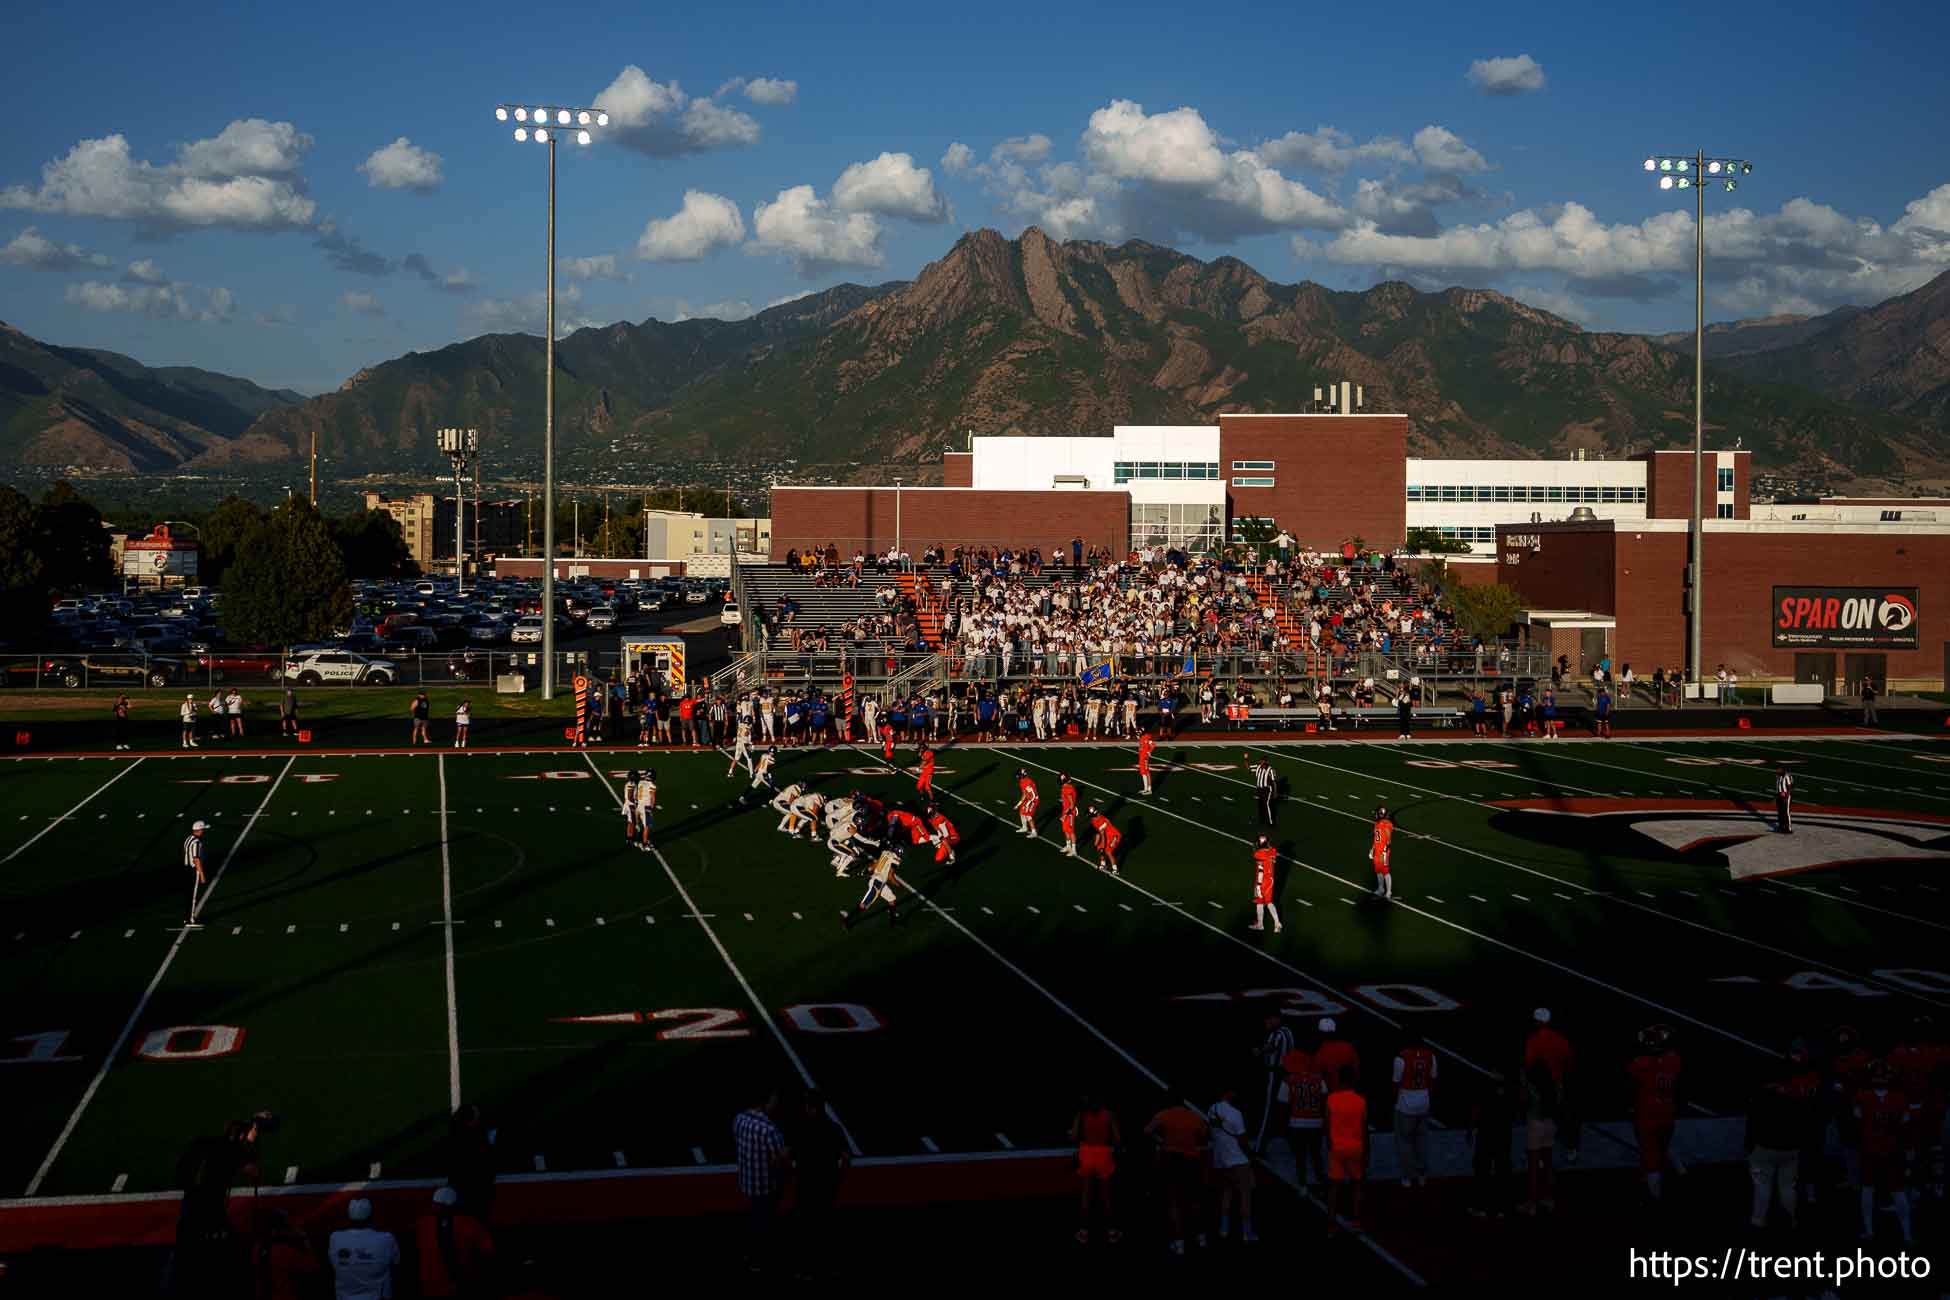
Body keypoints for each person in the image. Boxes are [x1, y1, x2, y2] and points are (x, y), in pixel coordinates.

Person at [1747, 1040, 1819, 1230]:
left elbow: (1754, 1119)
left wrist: (1750, 1142)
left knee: (1762, 1186)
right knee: (1788, 1187)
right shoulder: (1798, 1097)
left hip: (1765, 1145)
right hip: (1790, 1147)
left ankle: (1758, 1220)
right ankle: (1790, 1219)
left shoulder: (1764, 1093)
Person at [1854, 1061, 1913, 1243]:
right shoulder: (1900, 1098)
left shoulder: (1862, 1096)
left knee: (1869, 1190)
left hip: (1871, 1150)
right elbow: (1905, 1123)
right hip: (1890, 1151)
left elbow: (1857, 1117)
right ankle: (1907, 1234)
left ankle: (1870, 1231)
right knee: (1897, 1191)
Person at [732, 1091, 790, 1273]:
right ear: (764, 1103)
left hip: (747, 1180)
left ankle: (750, 1254)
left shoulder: (739, 1119)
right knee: (764, 1222)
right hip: (766, 1185)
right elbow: (780, 1160)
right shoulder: (769, 1130)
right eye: (773, 1101)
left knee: (754, 1217)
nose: (776, 1104)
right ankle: (759, 1259)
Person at [1144, 1098, 1210, 1255]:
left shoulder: (1164, 1114)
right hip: (1191, 1161)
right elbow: (1204, 1137)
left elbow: (1147, 1131)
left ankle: (1179, 1243)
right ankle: (1201, 1238)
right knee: (1195, 1201)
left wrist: (1161, 1140)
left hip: (1171, 1160)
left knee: (1173, 1202)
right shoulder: (1195, 1117)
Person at [1628, 1024, 1685, 1200]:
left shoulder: (1640, 1063)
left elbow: (1630, 1085)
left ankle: (1655, 1194)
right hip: (1667, 1114)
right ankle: (1675, 1168)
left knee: (1651, 1154)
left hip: (1647, 1115)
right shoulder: (1674, 1060)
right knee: (1662, 1147)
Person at [794, 1091, 850, 1270]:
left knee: (806, 1226)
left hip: (806, 1183)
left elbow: (785, 1154)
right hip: (828, 1182)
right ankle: (829, 1264)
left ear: (811, 1107)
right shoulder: (834, 1128)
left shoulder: (800, 1127)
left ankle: (807, 1267)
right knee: (826, 1223)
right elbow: (846, 1156)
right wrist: (840, 1175)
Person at [415, 1186, 494, 1298]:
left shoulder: (423, 1224)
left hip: (430, 1287)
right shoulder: (469, 1223)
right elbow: (487, 1250)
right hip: (461, 1285)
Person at [1525, 1008, 1579, 1164]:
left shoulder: (1533, 1041)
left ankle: (1541, 1154)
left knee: (1540, 1119)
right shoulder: (1561, 1040)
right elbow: (1570, 1062)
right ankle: (1571, 1149)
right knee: (1562, 1117)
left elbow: (1529, 1065)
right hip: (1557, 1084)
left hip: (1539, 1087)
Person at [1071, 1093, 1122, 1244]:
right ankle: (1111, 1232)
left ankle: (1084, 1232)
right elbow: (1118, 1139)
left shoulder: (1082, 1115)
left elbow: (1073, 1137)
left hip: (1086, 1154)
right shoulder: (1108, 1114)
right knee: (1106, 1197)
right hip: (1104, 1155)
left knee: (1086, 1196)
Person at [1207, 1088, 1256, 1243]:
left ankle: (1224, 1229)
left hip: (1221, 1159)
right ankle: (1247, 1233)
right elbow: (1242, 1141)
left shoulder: (1212, 1109)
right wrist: (1251, 1156)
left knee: (1226, 1193)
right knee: (1245, 1196)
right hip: (1238, 1160)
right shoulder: (1236, 1114)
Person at [1467, 1071, 1516, 1218]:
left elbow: (1475, 1110)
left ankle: (1481, 1206)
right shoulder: (1509, 1088)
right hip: (1503, 1133)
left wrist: (1470, 1129)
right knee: (1503, 1169)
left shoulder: (1484, 1086)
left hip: (1487, 1133)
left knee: (1482, 1169)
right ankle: (1503, 1207)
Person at [328, 1198, 399, 1300]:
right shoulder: (386, 1238)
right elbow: (396, 1262)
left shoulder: (335, 1237)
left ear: (348, 1217)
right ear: (371, 1217)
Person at [1324, 1066, 1367, 1234]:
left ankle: (1331, 1223)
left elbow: (1327, 1126)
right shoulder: (1360, 1101)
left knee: (1334, 1186)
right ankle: (1356, 1220)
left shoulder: (1331, 1099)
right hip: (1356, 1147)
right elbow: (1364, 1129)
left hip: (1337, 1147)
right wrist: (1366, 1152)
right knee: (1357, 1184)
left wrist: (1329, 1144)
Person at [1279, 1046, 1330, 1187]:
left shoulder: (1288, 1080)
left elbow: (1283, 1105)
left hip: (1296, 1122)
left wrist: (1284, 1126)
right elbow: (1325, 1098)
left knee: (1300, 1156)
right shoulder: (1318, 1079)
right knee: (1316, 1154)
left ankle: (1302, 1185)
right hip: (1316, 1122)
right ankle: (1320, 1181)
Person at [1393, 1033, 1437, 1188]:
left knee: (1404, 1142)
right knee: (1421, 1141)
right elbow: (1432, 1080)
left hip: (1405, 1104)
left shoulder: (1401, 1058)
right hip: (1423, 1102)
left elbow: (1396, 1082)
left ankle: (1407, 1176)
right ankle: (1422, 1174)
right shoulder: (1431, 1056)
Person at [1521, 1059, 1560, 1216]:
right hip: (1550, 1124)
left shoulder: (1530, 1087)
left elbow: (1523, 1102)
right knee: (1548, 1164)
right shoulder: (1552, 1087)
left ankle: (1532, 1203)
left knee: (1533, 1168)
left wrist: (1523, 1083)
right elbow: (1559, 1103)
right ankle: (1549, 1199)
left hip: (1535, 1124)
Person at [843, 845, 902, 928]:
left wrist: (867, 870)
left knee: (892, 899)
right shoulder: (896, 860)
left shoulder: (885, 853)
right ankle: (847, 920)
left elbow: (875, 864)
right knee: (864, 905)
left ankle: (893, 923)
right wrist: (898, 885)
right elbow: (890, 876)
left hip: (879, 881)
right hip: (877, 884)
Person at [1249, 834, 1281, 935]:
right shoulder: (1273, 851)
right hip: (1270, 880)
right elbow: (1271, 851)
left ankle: (1260, 924)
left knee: (1259, 902)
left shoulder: (1258, 854)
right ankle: (1277, 923)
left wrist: (1258, 884)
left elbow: (1260, 869)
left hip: (1262, 881)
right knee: (1269, 902)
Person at [183, 819, 210, 929]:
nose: (203, 831)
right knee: (193, 896)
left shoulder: (188, 839)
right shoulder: (196, 842)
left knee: (189, 894)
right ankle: (190, 919)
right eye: (202, 829)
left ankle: (187, 917)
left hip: (186, 868)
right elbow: (196, 859)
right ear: (199, 830)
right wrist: (202, 874)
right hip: (194, 870)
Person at [1369, 803, 1394, 901]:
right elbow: (1376, 838)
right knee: (1378, 870)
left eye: (1377, 813)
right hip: (1377, 850)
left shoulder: (1387, 824)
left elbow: (1388, 838)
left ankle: (1388, 891)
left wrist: (1386, 850)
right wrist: (1372, 849)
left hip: (1383, 851)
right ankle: (1380, 888)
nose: (1375, 815)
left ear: (1380, 814)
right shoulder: (1377, 824)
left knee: (1385, 871)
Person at [1088, 805, 1121, 874]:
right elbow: (1098, 833)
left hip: (1114, 836)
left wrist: (1103, 846)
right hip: (1107, 835)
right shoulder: (1095, 820)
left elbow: (1102, 834)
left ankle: (1115, 869)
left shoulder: (1099, 821)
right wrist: (1096, 844)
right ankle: (1103, 864)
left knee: (1107, 851)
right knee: (1099, 848)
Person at [634, 768, 657, 852]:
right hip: (646, 807)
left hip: (639, 805)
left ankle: (637, 840)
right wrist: (652, 808)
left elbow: (636, 794)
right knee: (646, 827)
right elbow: (652, 798)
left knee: (641, 826)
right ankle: (644, 844)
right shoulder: (652, 785)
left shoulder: (640, 782)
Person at [1251, 754, 1278, 826]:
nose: (1261, 762)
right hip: (1259, 789)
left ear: (1266, 761)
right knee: (1261, 805)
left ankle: (1271, 822)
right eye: (1261, 760)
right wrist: (1246, 759)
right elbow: (1248, 768)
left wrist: (1275, 792)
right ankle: (1263, 820)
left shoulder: (1271, 770)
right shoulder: (1258, 767)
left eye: (1263, 761)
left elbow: (1274, 781)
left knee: (1266, 804)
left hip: (1267, 789)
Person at [1014, 768, 1039, 836]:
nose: (1017, 776)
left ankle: (1034, 832)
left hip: (1033, 800)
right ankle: (1024, 827)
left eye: (1018, 775)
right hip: (1029, 799)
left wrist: (1027, 804)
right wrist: (1018, 804)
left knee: (1028, 815)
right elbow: (1024, 794)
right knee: (1021, 811)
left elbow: (1033, 795)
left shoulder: (1027, 782)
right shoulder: (1022, 781)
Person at [1775, 764, 1794, 834]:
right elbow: (1777, 787)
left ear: (1782, 770)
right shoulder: (1778, 776)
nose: (1777, 771)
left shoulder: (1787, 776)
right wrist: (1776, 796)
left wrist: (1786, 796)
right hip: (1779, 795)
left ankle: (1788, 828)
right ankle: (1781, 827)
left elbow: (1789, 787)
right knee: (1780, 812)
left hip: (1785, 795)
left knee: (1786, 812)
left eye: (1778, 769)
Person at [1137, 729, 1156, 796]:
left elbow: (1153, 745)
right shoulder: (1141, 738)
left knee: (1146, 773)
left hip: (1144, 758)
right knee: (1143, 773)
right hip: (1141, 758)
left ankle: (1149, 789)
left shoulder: (1146, 737)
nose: (1138, 733)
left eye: (1139, 732)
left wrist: (1149, 752)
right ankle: (1145, 788)